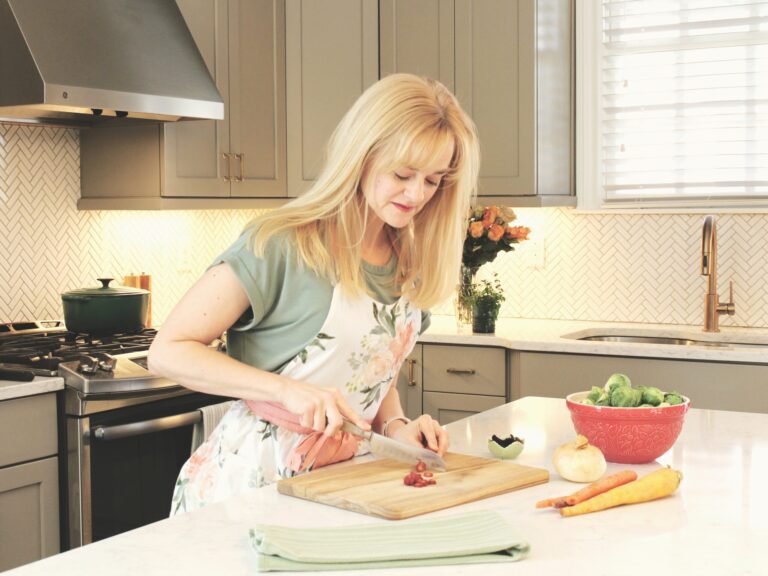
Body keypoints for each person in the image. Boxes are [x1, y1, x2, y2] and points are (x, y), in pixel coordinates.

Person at [148, 73, 480, 515]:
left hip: (344, 482)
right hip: (249, 488)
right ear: (362, 155)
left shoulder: (410, 259)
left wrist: (397, 426)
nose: (417, 194)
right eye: (402, 174)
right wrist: (285, 391)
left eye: (433, 180)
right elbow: (168, 351)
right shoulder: (283, 243)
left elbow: (373, 371)